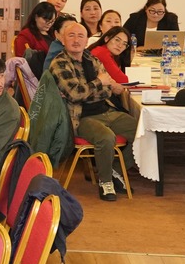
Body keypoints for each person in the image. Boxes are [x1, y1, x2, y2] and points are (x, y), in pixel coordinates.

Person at [45, 20, 139, 201]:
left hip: (106, 110)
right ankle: (105, 182)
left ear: (87, 40)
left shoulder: (91, 59)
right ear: (62, 40)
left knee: (142, 131)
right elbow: (75, 94)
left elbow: (107, 90)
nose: (76, 40)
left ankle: (115, 170)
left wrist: (92, 88)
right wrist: (97, 82)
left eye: (80, 36)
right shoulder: (60, 63)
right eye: (71, 35)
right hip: (81, 117)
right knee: (106, 137)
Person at [14, 2, 58, 76]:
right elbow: (21, 61)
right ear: (36, 17)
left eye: (52, 21)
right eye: (46, 20)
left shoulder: (54, 34)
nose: (49, 24)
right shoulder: (26, 35)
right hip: (37, 75)